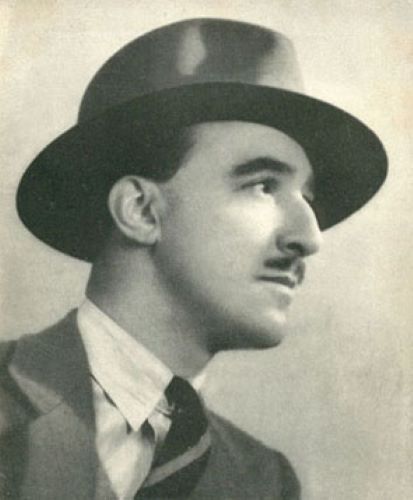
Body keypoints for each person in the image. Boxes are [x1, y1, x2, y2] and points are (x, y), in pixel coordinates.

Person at [0, 18, 387, 499]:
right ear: (141, 210)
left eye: (306, 198)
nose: (309, 238)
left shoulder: (265, 482)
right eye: (263, 185)